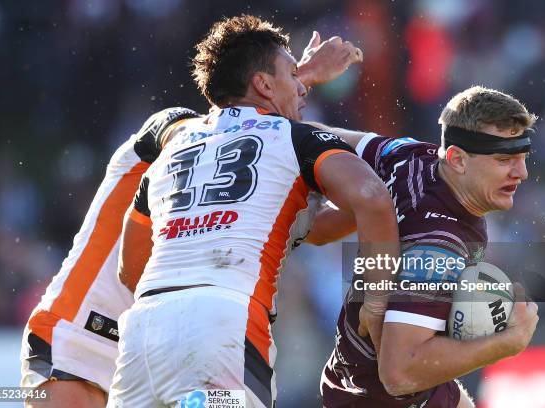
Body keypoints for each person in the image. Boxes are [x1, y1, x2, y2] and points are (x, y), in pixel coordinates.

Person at [19, 17, 368, 408]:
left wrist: (384, 201)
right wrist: (298, 78)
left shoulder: (238, 171)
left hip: (146, 339)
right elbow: (233, 120)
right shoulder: (174, 128)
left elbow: (314, 229)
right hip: (78, 334)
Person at [107, 15, 401, 408]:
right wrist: (377, 301)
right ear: (263, 84)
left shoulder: (173, 149)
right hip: (224, 325)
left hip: (144, 332)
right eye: (293, 76)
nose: (302, 88)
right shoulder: (296, 138)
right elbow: (371, 196)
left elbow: (130, 269)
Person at [307, 86, 540, 407]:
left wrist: (293, 89)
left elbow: (318, 136)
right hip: (382, 400)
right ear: (458, 159)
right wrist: (508, 342)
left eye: (522, 158)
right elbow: (399, 373)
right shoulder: (436, 249)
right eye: (504, 160)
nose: (521, 172)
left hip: (356, 379)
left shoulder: (413, 155)